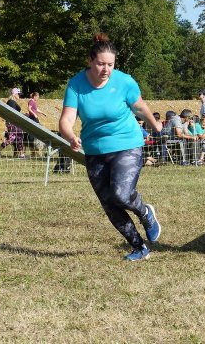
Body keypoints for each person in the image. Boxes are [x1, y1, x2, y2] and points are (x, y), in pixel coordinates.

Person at [58, 33, 163, 262]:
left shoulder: (124, 81)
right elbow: (66, 120)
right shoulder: (76, 85)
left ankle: (145, 212)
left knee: (121, 194)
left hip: (127, 143)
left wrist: (155, 125)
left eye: (110, 65)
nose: (106, 69)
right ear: (90, 60)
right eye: (100, 64)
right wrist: (71, 137)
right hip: (95, 150)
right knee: (109, 202)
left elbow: (139, 106)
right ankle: (139, 247)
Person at [0, 88, 25, 159]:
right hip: (12, 122)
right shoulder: (11, 102)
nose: (19, 96)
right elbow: (13, 114)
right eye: (18, 94)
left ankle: (22, 154)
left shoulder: (12, 102)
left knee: (19, 137)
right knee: (12, 138)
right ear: (14, 94)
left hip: (14, 122)